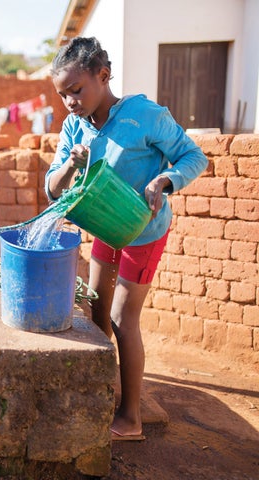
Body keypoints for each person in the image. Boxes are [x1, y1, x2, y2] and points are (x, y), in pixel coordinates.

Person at [45, 37, 208, 441]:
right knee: (96, 311)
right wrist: (70, 164)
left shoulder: (144, 115)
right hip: (105, 226)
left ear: (103, 76)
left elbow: (193, 156)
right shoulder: (73, 127)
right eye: (63, 95)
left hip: (143, 230)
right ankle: (103, 392)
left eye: (76, 90)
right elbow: (52, 188)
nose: (70, 101)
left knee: (122, 318)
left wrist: (165, 179)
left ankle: (131, 416)